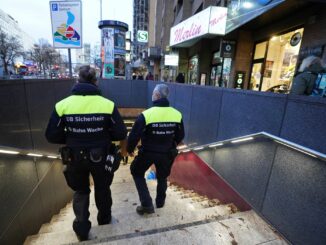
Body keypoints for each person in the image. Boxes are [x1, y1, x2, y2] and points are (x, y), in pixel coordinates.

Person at [45, 65, 127, 241]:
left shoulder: (62, 105)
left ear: (77, 80)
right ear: (96, 82)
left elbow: (51, 135)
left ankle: (82, 229)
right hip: (101, 157)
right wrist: (103, 134)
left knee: (81, 191)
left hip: (74, 157)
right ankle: (104, 221)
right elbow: (120, 133)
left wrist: (71, 137)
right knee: (102, 189)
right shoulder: (108, 105)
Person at [127, 84, 185, 215]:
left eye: (153, 93)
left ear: (157, 96)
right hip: (167, 153)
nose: (152, 95)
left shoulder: (146, 115)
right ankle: (160, 203)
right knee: (162, 177)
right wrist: (172, 144)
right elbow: (181, 135)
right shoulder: (177, 114)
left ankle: (146, 203)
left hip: (148, 152)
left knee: (136, 172)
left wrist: (130, 149)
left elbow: (134, 134)